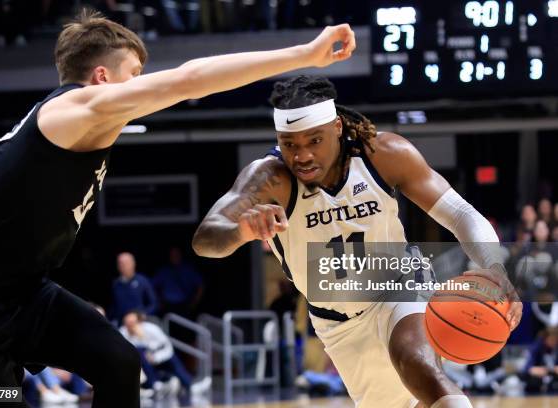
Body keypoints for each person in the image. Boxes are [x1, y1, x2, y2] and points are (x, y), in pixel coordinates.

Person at [0, 9, 355, 407]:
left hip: (23, 294)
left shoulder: (56, 126)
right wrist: (305, 54)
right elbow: (189, 79)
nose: (141, 85)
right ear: (102, 78)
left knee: (119, 363)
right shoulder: (75, 109)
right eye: (135, 75)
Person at [192, 75, 522, 408]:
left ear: (337, 126)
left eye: (314, 140)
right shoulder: (269, 177)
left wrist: (493, 266)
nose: (302, 155)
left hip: (400, 284)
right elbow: (205, 240)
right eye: (290, 144)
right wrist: (240, 232)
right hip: (338, 322)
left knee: (420, 367)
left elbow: (459, 213)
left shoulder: (383, 153)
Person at [152, 247, 203, 317]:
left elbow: (200, 285)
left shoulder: (188, 270)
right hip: (167, 305)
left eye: (176, 255)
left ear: (181, 255)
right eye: (172, 255)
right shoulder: (164, 271)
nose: (174, 257)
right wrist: (159, 301)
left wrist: (194, 302)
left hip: (184, 305)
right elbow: (153, 285)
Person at [112, 251, 158, 324]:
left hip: (141, 322)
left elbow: (154, 303)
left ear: (133, 263)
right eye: (120, 263)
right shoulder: (116, 284)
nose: (122, 266)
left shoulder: (142, 281)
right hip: (122, 324)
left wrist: (143, 314)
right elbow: (114, 307)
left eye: (126, 263)